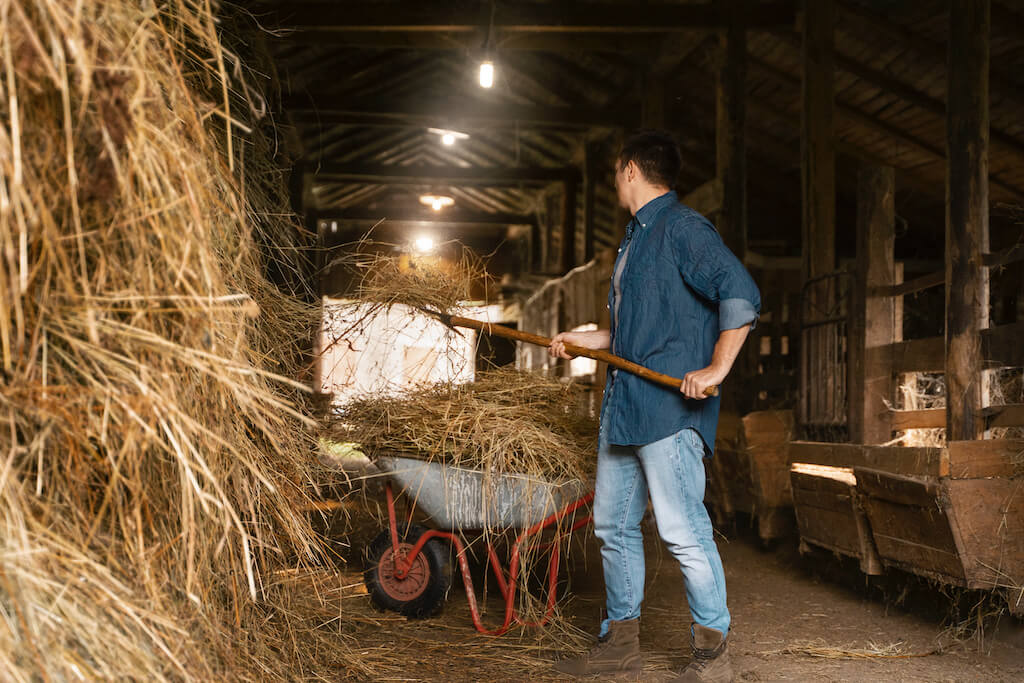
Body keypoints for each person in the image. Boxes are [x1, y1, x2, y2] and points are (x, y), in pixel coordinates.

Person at [548, 130, 760, 682]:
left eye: (617, 172)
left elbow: (740, 292)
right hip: (625, 409)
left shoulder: (681, 229)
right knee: (611, 528)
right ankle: (620, 643)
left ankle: (713, 654)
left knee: (682, 529)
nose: (616, 181)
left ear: (631, 170)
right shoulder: (635, 238)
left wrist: (716, 369)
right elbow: (629, 333)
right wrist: (585, 338)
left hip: (668, 414)